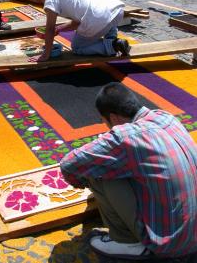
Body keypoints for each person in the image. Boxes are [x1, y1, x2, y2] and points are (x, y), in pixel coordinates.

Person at [60, 82, 197, 260]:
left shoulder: (126, 136)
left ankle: (126, 241)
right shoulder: (166, 117)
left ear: (114, 118)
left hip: (172, 244)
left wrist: (82, 183)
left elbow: (69, 165)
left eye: (105, 121)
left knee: (98, 171)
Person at [30, 0, 130, 62]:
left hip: (99, 18)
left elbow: (50, 29)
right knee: (106, 17)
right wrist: (59, 28)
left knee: (77, 47)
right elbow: (79, 21)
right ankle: (112, 38)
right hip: (117, 10)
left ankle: (113, 46)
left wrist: (45, 54)